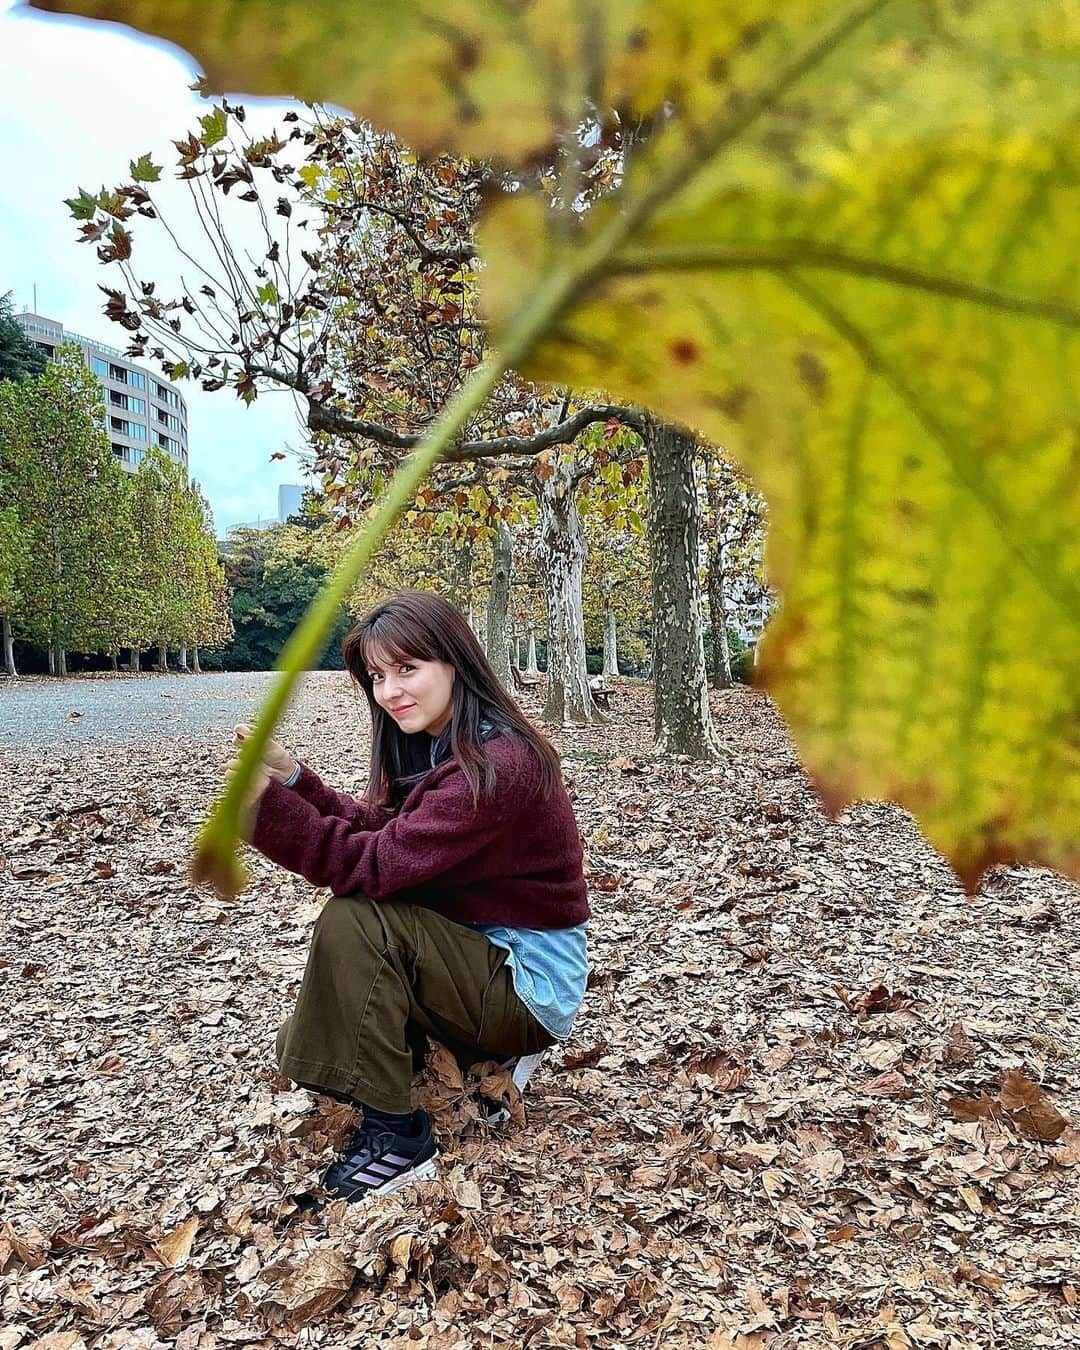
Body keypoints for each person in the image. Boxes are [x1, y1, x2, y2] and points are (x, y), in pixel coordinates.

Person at [234, 590, 590, 1204]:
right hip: (486, 946)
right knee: (364, 919)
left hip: (528, 981)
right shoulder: (455, 745)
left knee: (358, 919)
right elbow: (388, 832)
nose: (391, 690)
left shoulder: (498, 765)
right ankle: (456, 1057)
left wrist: (264, 812)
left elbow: (370, 865)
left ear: (454, 661)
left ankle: (400, 1138)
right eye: (377, 675)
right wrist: (295, 783)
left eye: (408, 669)